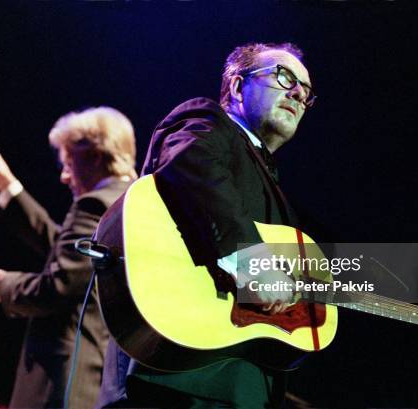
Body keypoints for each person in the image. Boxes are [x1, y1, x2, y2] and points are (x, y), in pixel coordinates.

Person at [95, 42, 316, 408]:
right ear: (236, 87)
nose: (297, 92)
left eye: (306, 92)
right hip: (176, 376)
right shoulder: (206, 122)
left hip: (238, 386)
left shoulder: (272, 186)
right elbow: (194, 167)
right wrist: (251, 263)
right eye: (283, 77)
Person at [0, 107, 137, 409]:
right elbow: (70, 253)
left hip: (63, 383)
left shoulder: (95, 204)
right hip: (100, 380)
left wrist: (6, 286)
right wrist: (8, 187)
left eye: (69, 163)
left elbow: (61, 285)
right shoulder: (134, 201)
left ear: (95, 157)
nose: (64, 176)